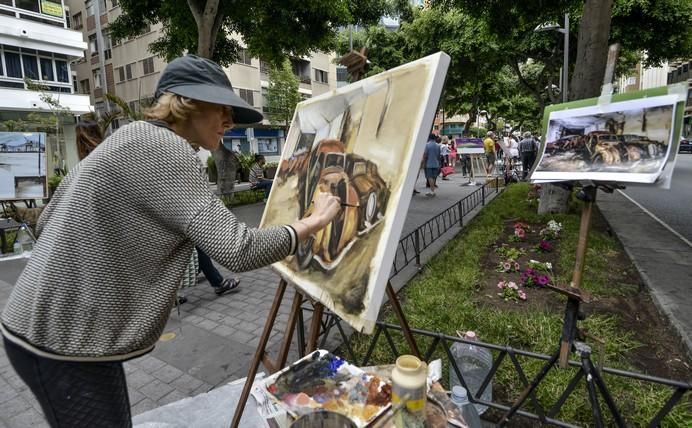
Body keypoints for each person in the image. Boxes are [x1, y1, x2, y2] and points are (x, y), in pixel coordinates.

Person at [0, 54, 341, 427]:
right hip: (61, 338)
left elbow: (49, 218)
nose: (229, 121)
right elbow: (238, 249)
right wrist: (314, 221)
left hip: (49, 327)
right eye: (221, 109)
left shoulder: (127, 136)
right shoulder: (166, 149)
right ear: (186, 104)